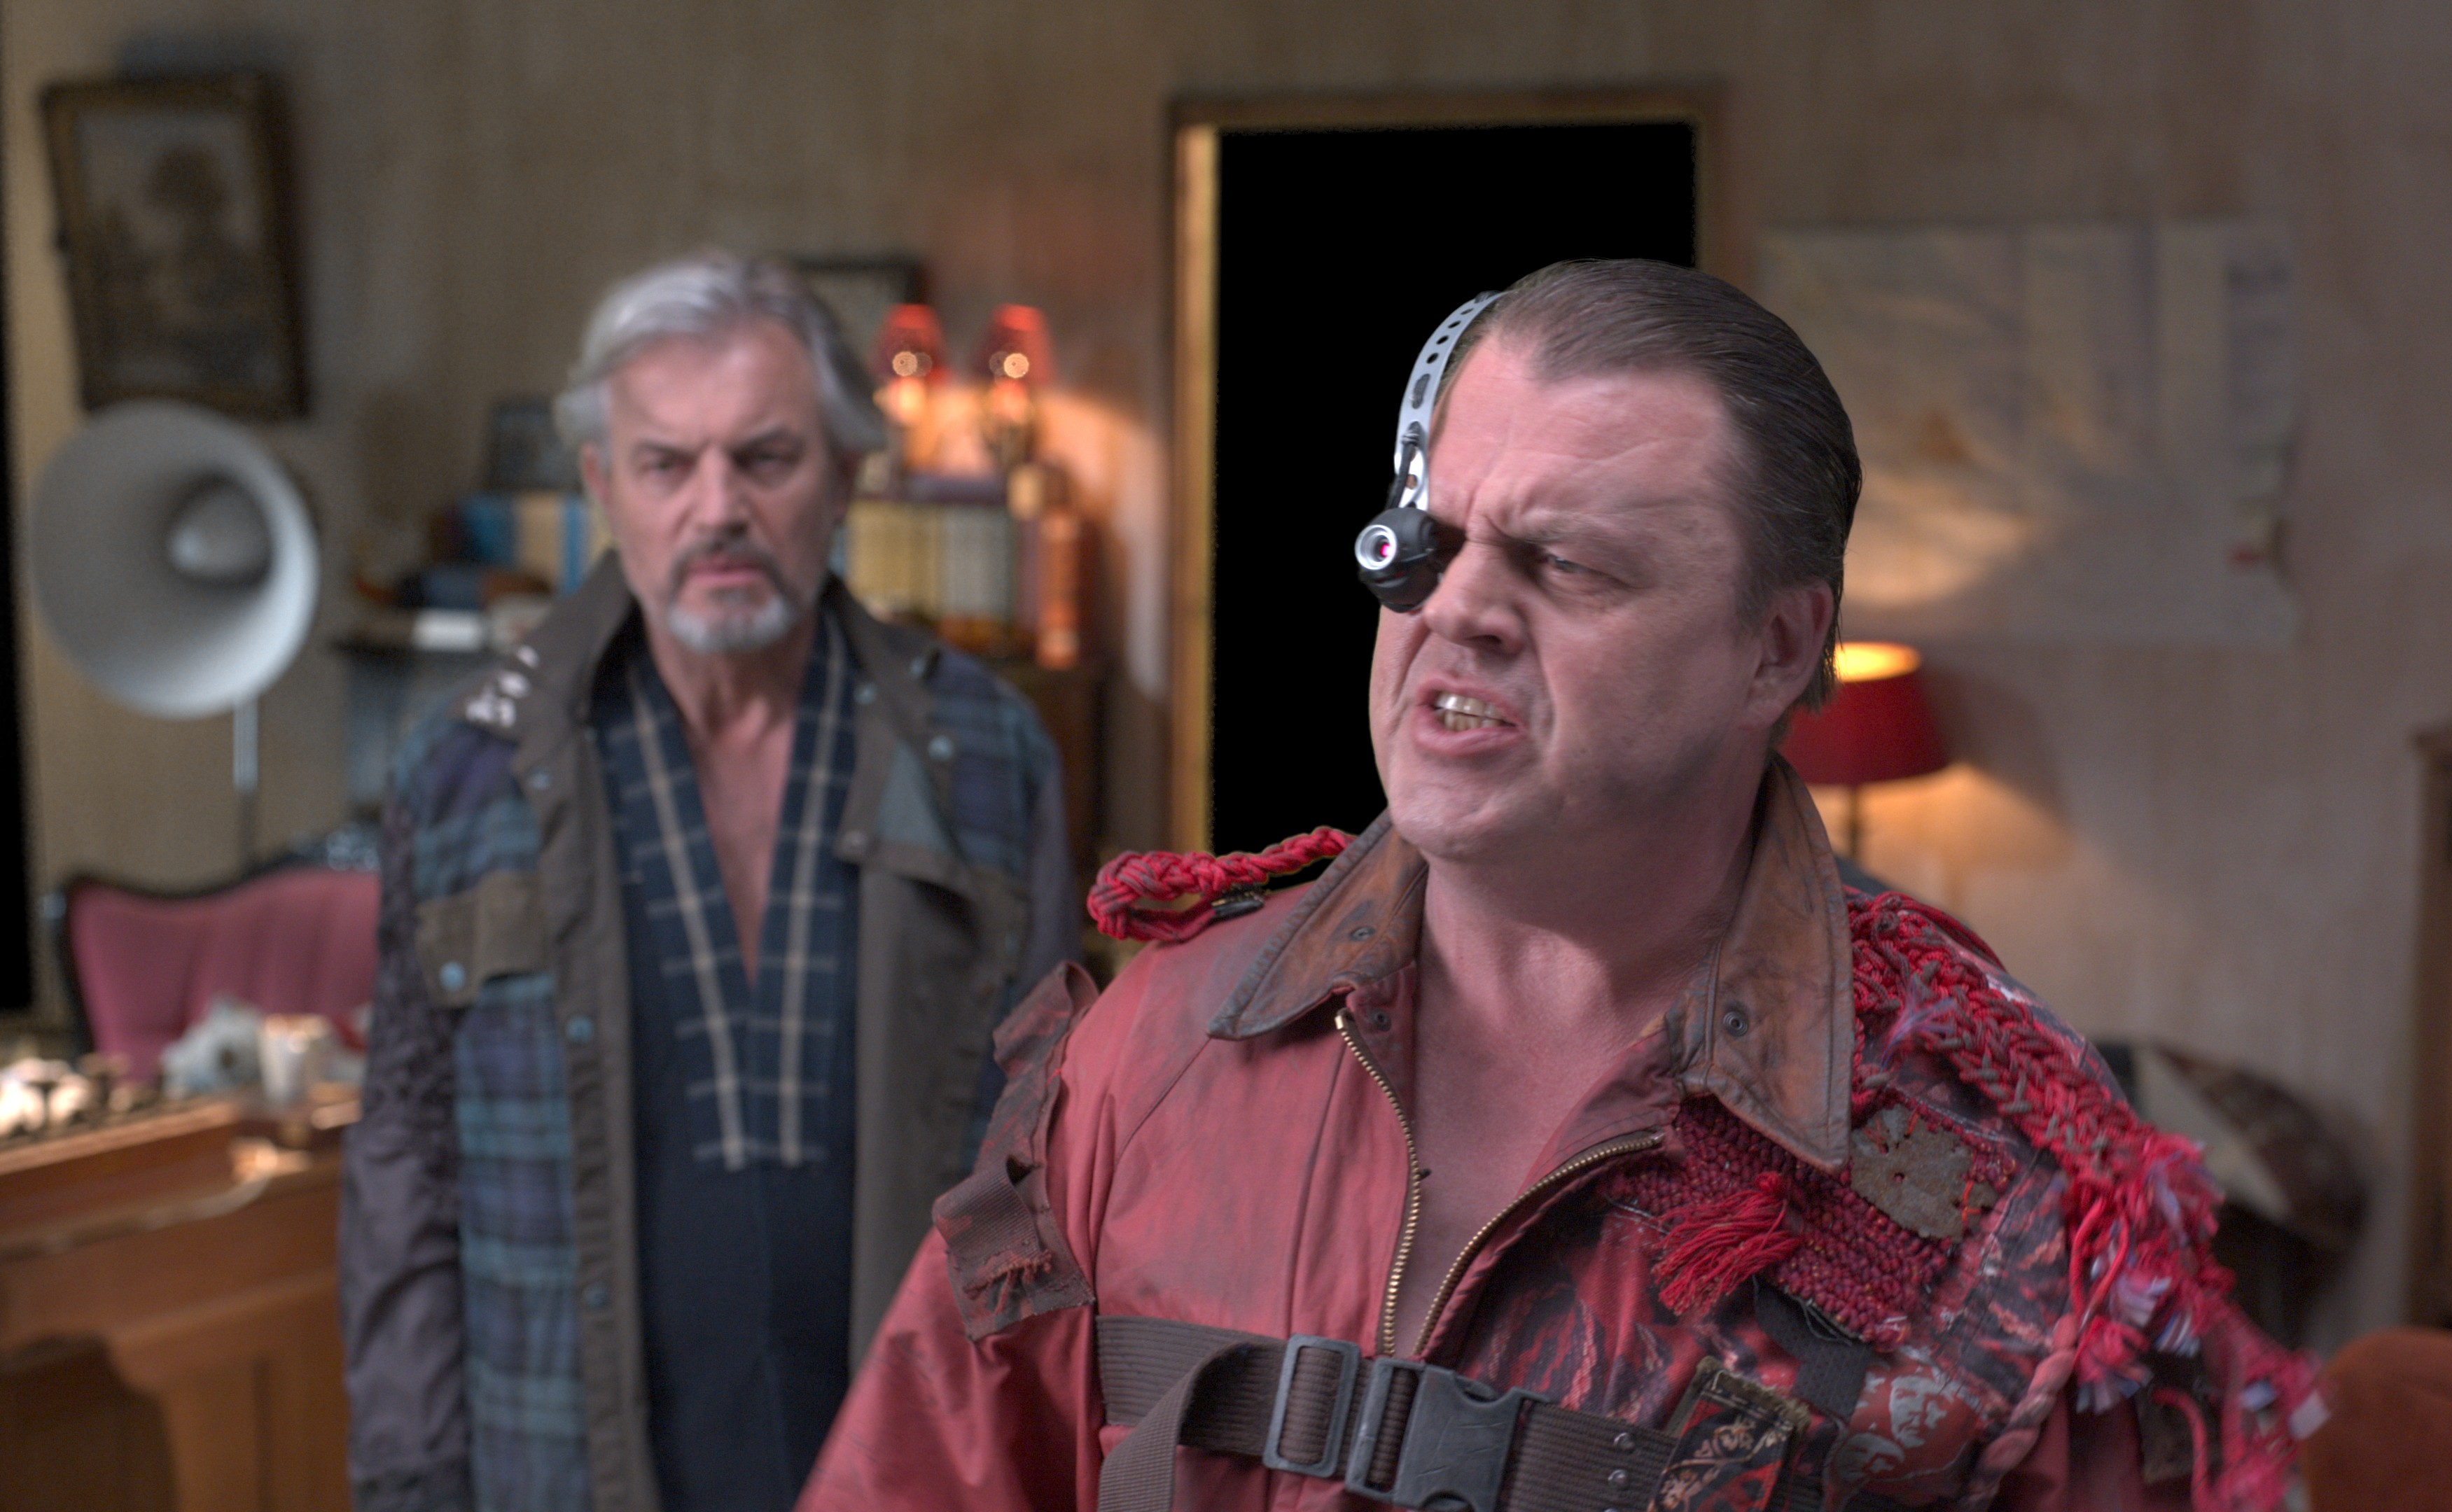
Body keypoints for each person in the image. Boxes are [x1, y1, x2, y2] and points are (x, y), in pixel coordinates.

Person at [800, 260, 2320, 1512]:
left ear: (1777, 648)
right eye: (1431, 543)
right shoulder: (1159, 1046)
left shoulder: (2007, 1189)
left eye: (1567, 565)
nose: (1456, 608)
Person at [340, 251, 1083, 1512]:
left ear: (845, 474)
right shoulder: (466, 773)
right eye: (666, 465)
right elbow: (406, 1166)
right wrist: (412, 1486)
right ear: (602, 485)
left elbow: (1059, 1156)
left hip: (911, 1464)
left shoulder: (985, 754)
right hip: (562, 1466)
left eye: (766, 458)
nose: (717, 507)